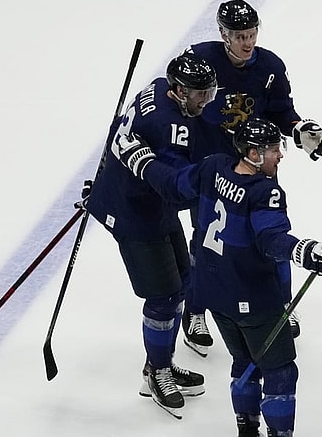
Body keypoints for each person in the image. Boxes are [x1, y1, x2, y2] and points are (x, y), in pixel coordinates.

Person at [136, 117, 322, 437]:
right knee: (280, 370)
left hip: (212, 293)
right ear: (253, 154)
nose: (280, 156)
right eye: (273, 149)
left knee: (244, 361)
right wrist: (304, 250)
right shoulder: (264, 192)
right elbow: (271, 240)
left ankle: (247, 428)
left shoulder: (213, 166)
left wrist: (142, 160)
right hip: (252, 296)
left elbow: (174, 186)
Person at [179, 0, 322, 356]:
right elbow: (178, 100)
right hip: (212, 169)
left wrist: (298, 130)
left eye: (251, 34)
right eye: (240, 35)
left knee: (271, 237)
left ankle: (279, 305)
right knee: (207, 239)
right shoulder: (201, 60)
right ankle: (195, 310)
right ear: (223, 34)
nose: (248, 42)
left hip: (259, 168)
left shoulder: (270, 67)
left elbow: (282, 112)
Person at [84, 52, 218, 418]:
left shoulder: (157, 89)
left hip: (147, 204)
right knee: (163, 297)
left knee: (182, 282)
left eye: (208, 92)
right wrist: (211, 176)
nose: (204, 101)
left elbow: (124, 136)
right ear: (178, 91)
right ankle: (156, 372)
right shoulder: (170, 126)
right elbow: (174, 186)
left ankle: (161, 360)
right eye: (198, 94)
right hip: (133, 214)